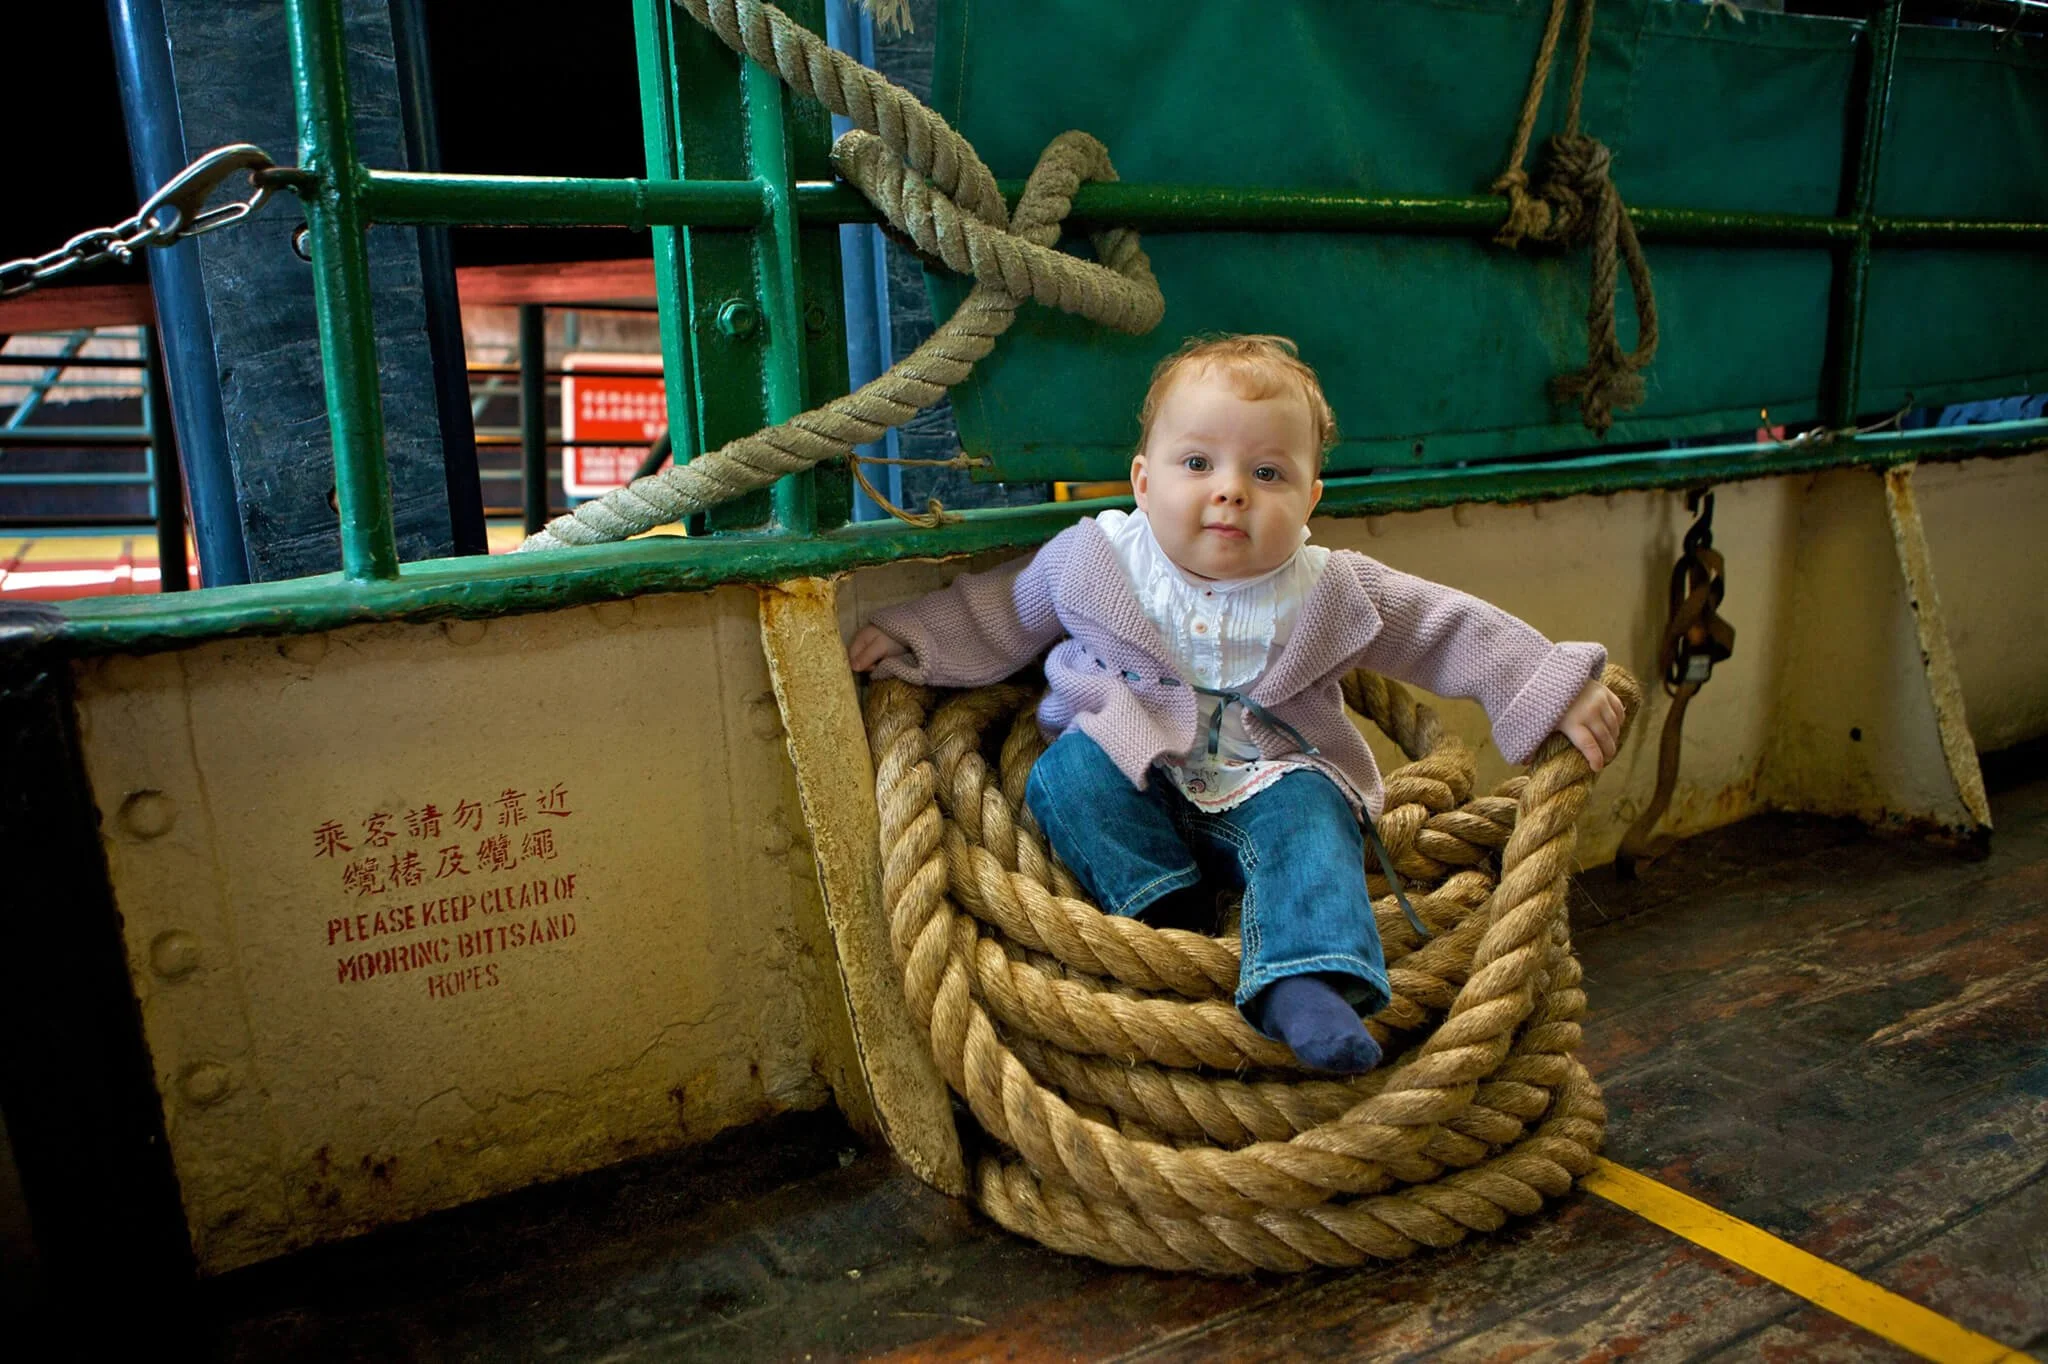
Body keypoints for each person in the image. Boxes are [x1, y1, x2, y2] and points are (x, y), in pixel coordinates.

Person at [849, 335, 1624, 1073]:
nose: (1230, 490)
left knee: (1316, 824)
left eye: (1269, 474)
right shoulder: (1096, 560)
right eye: (1197, 462)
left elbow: (1444, 627)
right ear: (1145, 482)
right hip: (1137, 764)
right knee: (1067, 777)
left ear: (1311, 498)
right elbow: (1001, 612)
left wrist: (1544, 681)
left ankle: (1305, 979)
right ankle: (1163, 908)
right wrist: (912, 640)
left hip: (1270, 777)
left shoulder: (1327, 588)